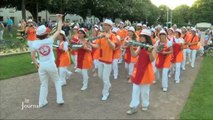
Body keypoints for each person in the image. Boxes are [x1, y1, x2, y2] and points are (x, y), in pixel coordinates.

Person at [31, 14, 64, 108]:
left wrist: (36, 63)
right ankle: (60, 99)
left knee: (43, 84)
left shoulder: (35, 43)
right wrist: (60, 19)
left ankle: (42, 102)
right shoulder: (50, 40)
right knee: (57, 81)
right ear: (46, 34)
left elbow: (32, 55)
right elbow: (58, 30)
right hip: (50, 64)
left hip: (41, 65)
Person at [126, 29, 155, 115]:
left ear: (147, 38)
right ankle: (133, 106)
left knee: (145, 90)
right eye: (141, 36)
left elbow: (152, 60)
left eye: (143, 36)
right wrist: (130, 46)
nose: (141, 38)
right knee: (135, 89)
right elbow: (134, 55)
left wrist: (150, 52)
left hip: (146, 71)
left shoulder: (151, 47)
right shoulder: (140, 46)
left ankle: (145, 104)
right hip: (138, 69)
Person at [89, 19, 117, 101]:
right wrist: (90, 43)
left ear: (110, 26)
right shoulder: (101, 35)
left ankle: (105, 93)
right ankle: (108, 85)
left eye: (106, 25)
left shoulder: (112, 36)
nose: (104, 26)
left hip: (108, 60)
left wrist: (108, 39)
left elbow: (113, 47)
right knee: (100, 76)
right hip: (100, 59)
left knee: (105, 78)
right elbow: (97, 46)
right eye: (103, 25)